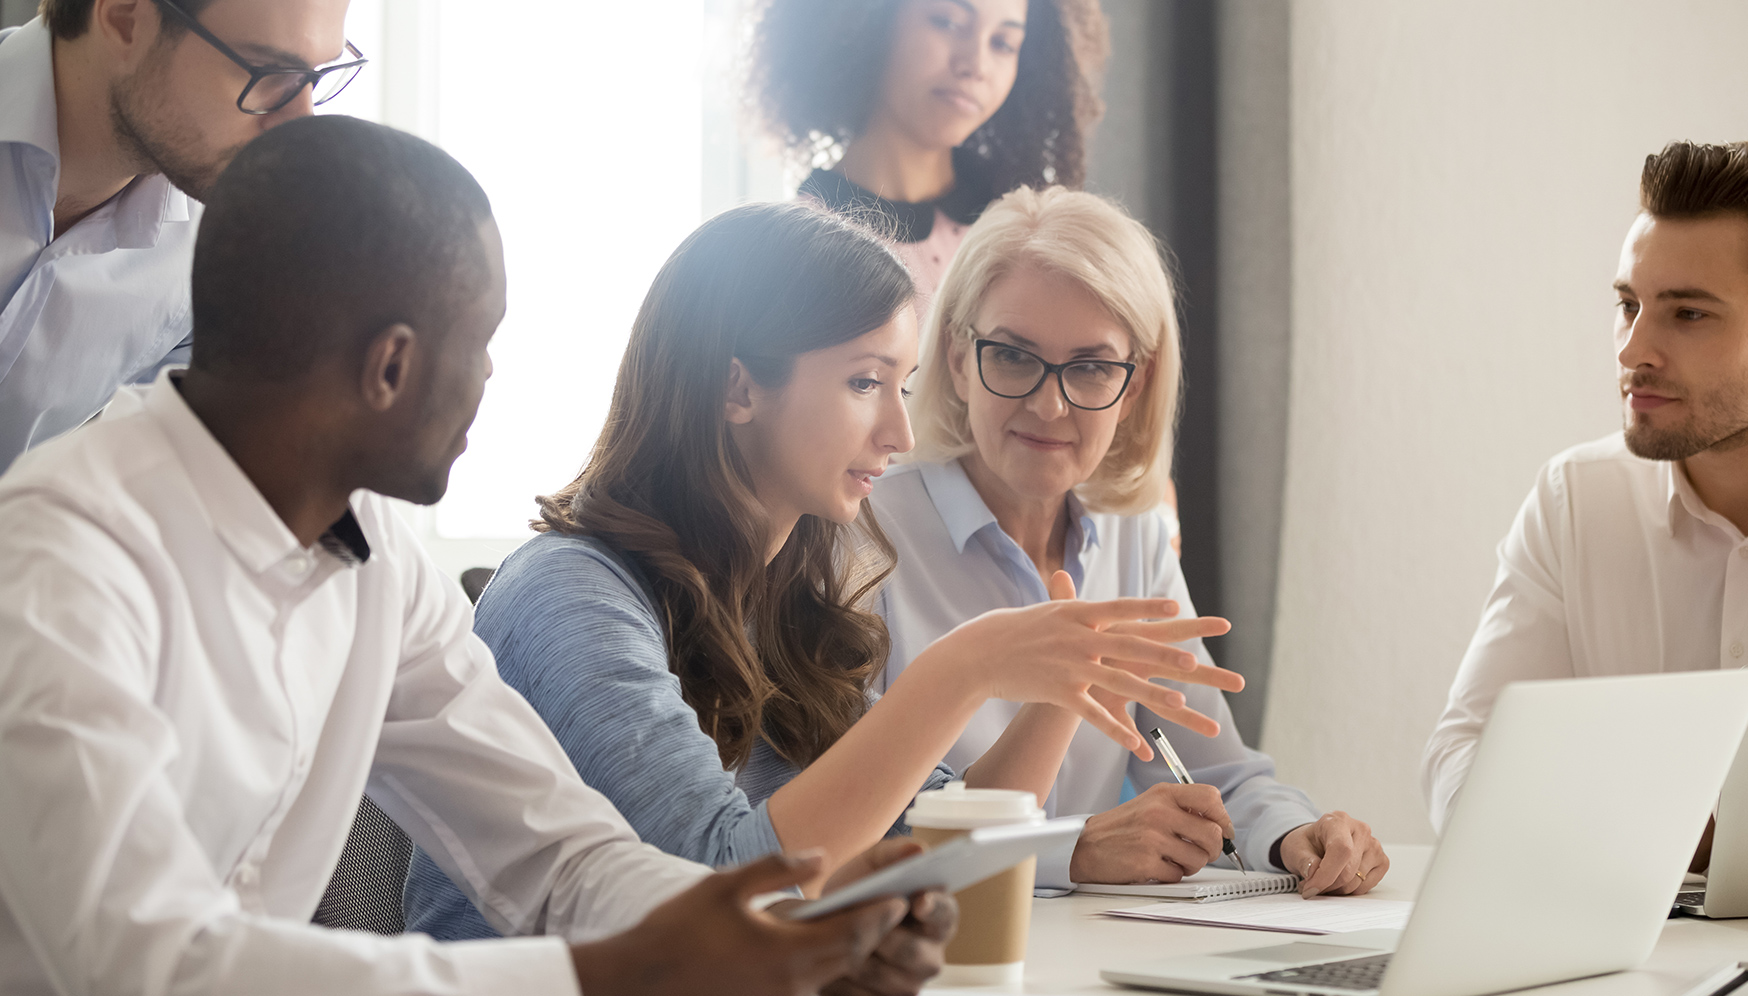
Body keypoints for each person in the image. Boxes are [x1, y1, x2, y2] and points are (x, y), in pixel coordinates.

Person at [0, 114, 956, 996]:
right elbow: (141, 960)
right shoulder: (61, 560)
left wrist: (790, 938)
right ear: (391, 366)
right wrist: (610, 974)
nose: (492, 381)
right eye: (483, 344)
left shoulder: (377, 556)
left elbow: (554, 850)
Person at [404, 199, 1241, 940]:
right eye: (864, 382)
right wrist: (961, 670)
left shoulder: (780, 601)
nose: (900, 433)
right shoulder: (569, 595)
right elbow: (723, 883)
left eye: (900, 385)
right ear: (739, 388)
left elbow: (950, 849)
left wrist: (1068, 676)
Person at [878, 186, 1391, 897]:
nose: (1050, 404)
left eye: (1090, 367)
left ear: (1135, 383)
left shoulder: (1133, 533)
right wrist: (1073, 849)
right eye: (1014, 356)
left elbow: (1215, 772)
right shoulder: (862, 533)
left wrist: (1292, 838)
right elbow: (871, 826)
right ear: (959, 359)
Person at [1424, 141, 1748, 871]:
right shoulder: (1578, 500)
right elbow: (1461, 757)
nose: (1635, 349)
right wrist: (1637, 828)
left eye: (1688, 314)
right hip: (1644, 961)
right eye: (1628, 306)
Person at [0, 0, 360, 474]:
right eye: (269, 71)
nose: (299, 122)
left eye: (314, 75)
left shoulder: (221, 253)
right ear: (125, 17)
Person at [746, 0, 1106, 301]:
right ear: (869, 18)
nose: (976, 65)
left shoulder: (1022, 229)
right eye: (947, 22)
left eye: (1003, 43)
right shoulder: (794, 253)